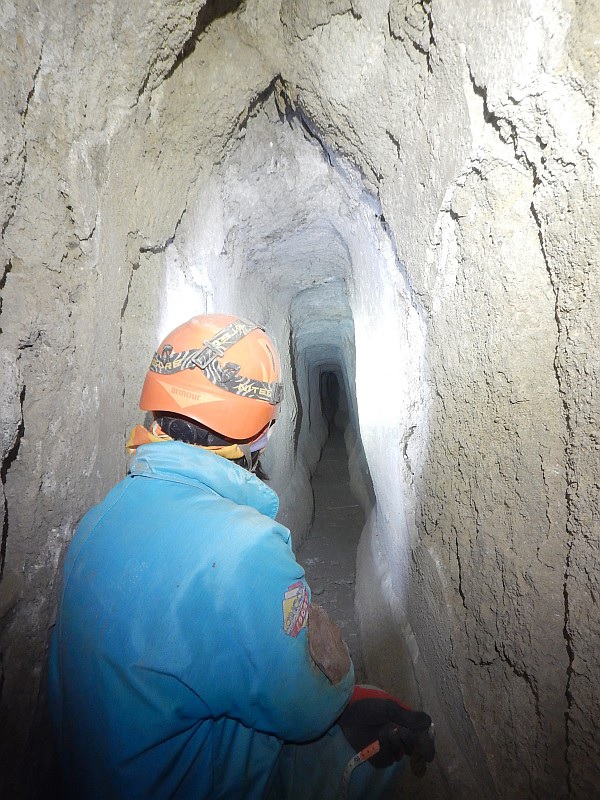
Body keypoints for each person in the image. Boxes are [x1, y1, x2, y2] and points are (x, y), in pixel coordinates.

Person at [48, 313, 434, 799]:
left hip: (105, 775)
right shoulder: (244, 547)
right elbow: (309, 709)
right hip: (187, 783)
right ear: (260, 434)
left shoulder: (97, 521)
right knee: (379, 722)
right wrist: (338, 672)